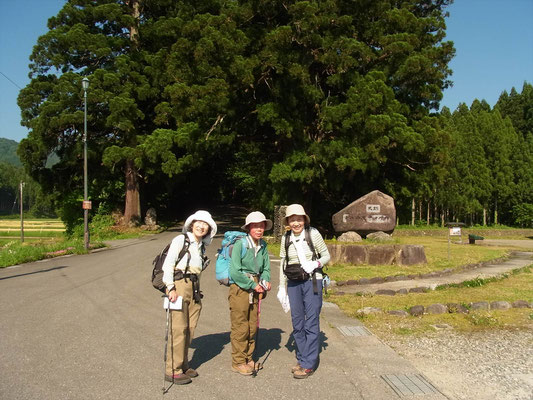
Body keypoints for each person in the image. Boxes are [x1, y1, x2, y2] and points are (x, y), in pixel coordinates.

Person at [162, 210, 217, 385]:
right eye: (198, 222)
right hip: (178, 287)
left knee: (190, 328)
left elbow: (197, 271)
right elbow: (168, 264)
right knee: (178, 328)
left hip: (194, 289)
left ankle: (183, 365)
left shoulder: (201, 246)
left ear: (208, 229)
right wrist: (170, 288)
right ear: (192, 224)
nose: (201, 226)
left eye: (205, 224)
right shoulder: (181, 240)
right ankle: (172, 369)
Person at [277, 204, 330, 379]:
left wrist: (315, 264)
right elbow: (283, 262)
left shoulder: (312, 233)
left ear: (304, 220)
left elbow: (326, 256)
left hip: (313, 281)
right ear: (288, 222)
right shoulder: (286, 238)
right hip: (293, 282)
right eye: (292, 219)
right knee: (297, 322)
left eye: (299, 219)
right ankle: (302, 358)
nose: (296, 223)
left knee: (311, 322)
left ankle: (308, 364)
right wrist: (281, 286)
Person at [228, 211, 272, 375]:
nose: (259, 229)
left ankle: (249, 358)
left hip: (256, 287)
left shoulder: (263, 246)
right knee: (241, 326)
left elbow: (266, 268)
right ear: (248, 228)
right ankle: (238, 361)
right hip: (240, 288)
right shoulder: (241, 244)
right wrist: (251, 285)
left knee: (253, 325)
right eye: (255, 226)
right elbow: (234, 271)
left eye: (261, 226)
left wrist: (265, 280)